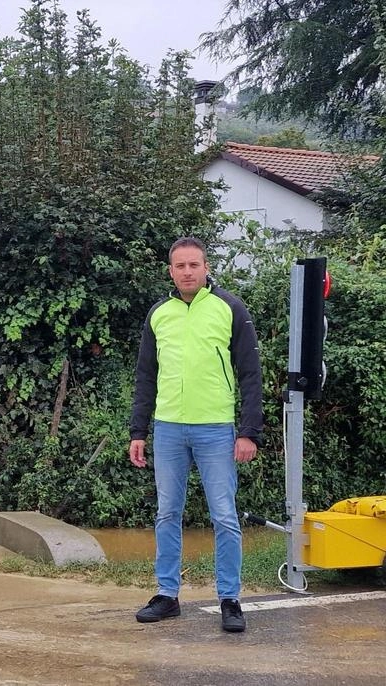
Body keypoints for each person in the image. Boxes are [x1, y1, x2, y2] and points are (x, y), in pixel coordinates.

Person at [128, 236, 263, 633]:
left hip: (216, 428)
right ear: (170, 271)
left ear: (206, 268)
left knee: (224, 515)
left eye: (194, 265)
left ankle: (230, 599)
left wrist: (249, 431)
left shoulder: (230, 308)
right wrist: (139, 430)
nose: (187, 272)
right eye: (180, 266)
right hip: (168, 428)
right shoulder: (159, 313)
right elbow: (145, 377)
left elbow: (250, 373)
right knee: (167, 513)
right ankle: (167, 595)